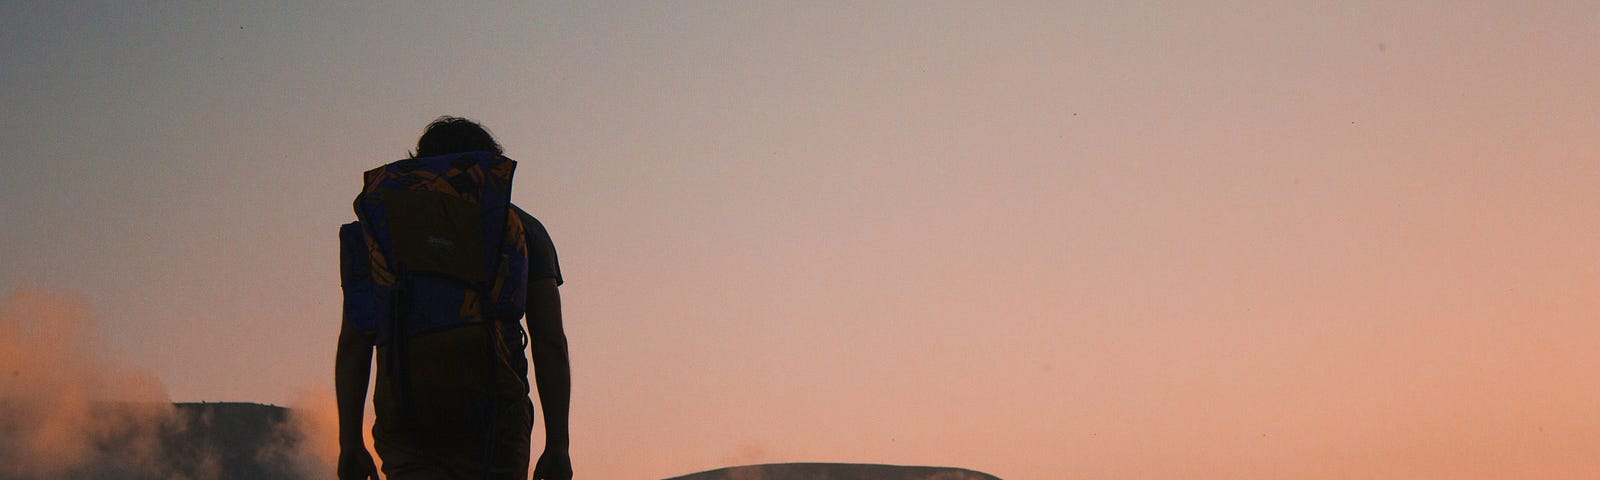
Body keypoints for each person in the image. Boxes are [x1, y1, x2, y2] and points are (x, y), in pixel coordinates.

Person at [336, 117, 572, 480]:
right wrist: (558, 446)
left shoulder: (386, 231)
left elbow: (355, 340)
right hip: (493, 413)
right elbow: (550, 342)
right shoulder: (522, 228)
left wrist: (349, 442)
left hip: (407, 410)